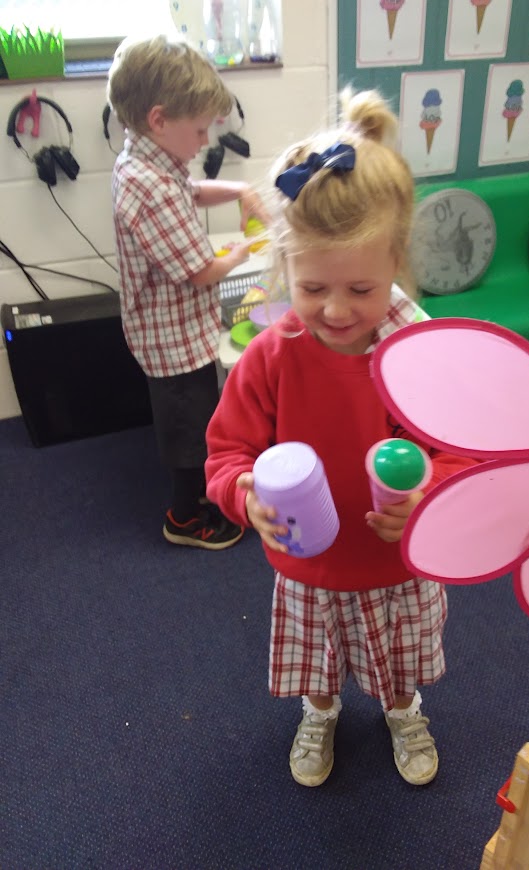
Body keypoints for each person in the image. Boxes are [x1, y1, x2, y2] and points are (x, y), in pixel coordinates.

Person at [204, 88, 476, 786]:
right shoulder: (271, 354)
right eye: (312, 286)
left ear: (396, 266)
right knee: (318, 665)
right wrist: (241, 493)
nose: (334, 309)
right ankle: (318, 714)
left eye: (360, 289)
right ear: (285, 270)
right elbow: (226, 452)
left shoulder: (417, 354)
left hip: (395, 562)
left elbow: (460, 451)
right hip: (311, 567)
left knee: (397, 663)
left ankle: (402, 709)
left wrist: (431, 495)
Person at [108, 34, 268, 550]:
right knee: (189, 426)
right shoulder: (148, 187)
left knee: (195, 414)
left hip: (174, 324)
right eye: (199, 130)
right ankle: (185, 515)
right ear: (159, 119)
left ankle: (197, 492)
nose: (203, 142)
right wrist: (252, 249)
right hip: (171, 339)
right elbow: (201, 271)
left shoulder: (148, 159)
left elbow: (191, 190)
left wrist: (241, 191)